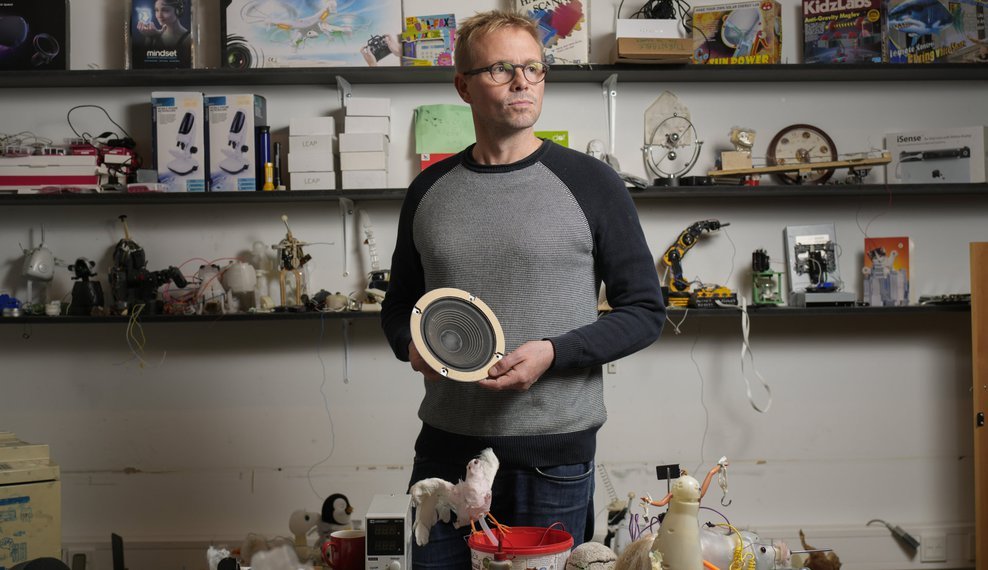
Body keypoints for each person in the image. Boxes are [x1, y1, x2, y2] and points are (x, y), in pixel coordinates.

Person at [380, 9, 665, 568]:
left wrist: (555, 354)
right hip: (444, 452)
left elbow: (644, 310)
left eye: (534, 69)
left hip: (552, 458)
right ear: (462, 84)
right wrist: (409, 345)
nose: (522, 82)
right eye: (502, 69)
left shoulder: (593, 183)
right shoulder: (429, 191)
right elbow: (399, 308)